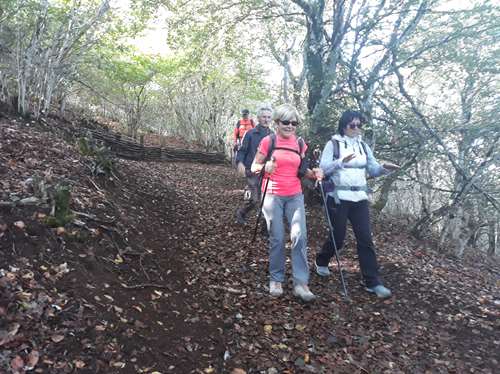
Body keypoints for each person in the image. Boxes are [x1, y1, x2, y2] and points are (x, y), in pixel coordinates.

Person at [314, 110, 400, 299]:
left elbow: (373, 169)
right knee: (339, 235)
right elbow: (322, 169)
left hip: (360, 198)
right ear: (344, 125)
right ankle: (322, 259)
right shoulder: (333, 144)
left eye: (359, 125)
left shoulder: (363, 146)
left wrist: (385, 169)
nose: (357, 128)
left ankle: (373, 282)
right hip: (338, 197)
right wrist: (340, 162)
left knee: (365, 238)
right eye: (353, 125)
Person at [251, 104, 323, 302]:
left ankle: (301, 283)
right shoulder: (269, 141)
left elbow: (303, 170)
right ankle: (276, 279)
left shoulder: (300, 144)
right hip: (272, 194)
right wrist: (265, 166)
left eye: (294, 123)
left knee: (300, 236)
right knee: (277, 237)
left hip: (295, 194)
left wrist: (315, 173)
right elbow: (255, 166)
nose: (290, 126)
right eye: (285, 122)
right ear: (277, 123)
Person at [235, 106, 273, 225]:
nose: (266, 120)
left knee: (267, 199)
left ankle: (263, 226)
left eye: (268, 117)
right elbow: (242, 151)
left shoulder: (273, 135)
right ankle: (241, 213)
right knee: (255, 199)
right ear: (258, 118)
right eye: (264, 117)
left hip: (267, 172)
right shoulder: (250, 133)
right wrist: (240, 163)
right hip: (252, 170)